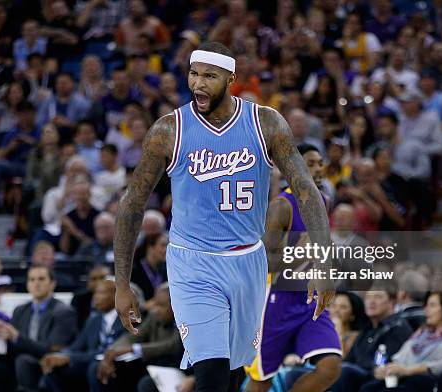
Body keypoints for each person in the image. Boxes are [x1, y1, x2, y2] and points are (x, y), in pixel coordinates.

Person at [113, 42, 332, 392]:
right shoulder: (169, 131)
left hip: (249, 261)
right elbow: (132, 205)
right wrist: (122, 284)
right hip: (193, 263)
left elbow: (307, 190)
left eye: (210, 76)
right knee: (211, 371)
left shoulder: (266, 123)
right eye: (194, 74)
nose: (198, 84)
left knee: (233, 370)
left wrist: (323, 263)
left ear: (230, 79)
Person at [245, 143, 341, 392]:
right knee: (261, 379)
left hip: (307, 296)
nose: (318, 169)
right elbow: (262, 261)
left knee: (330, 366)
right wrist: (299, 253)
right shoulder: (282, 207)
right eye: (310, 164)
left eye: (320, 163)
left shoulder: (324, 201)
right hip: (275, 298)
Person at [0, 266, 77, 392]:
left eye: (41, 279)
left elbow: (51, 349)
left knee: (23, 361)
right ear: (28, 285)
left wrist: (17, 337)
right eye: (32, 280)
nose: (36, 284)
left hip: (46, 364)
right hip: (18, 363)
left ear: (52, 284)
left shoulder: (64, 312)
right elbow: (11, 346)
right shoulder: (20, 310)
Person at [360, 292, 442, 392]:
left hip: (426, 383)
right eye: (426, 306)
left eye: (432, 305)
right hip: (404, 379)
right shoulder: (420, 334)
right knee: (368, 388)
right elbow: (399, 358)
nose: (426, 310)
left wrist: (410, 371)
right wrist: (386, 370)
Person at [40, 278, 126, 392]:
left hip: (117, 365)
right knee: (54, 368)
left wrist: (69, 358)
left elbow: (108, 351)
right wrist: (58, 355)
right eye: (95, 292)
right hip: (89, 361)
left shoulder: (128, 320)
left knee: (94, 368)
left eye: (101, 293)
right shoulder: (93, 320)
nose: (95, 297)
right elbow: (76, 346)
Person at [99, 283, 183, 391]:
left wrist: (132, 349)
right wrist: (113, 351)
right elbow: (133, 335)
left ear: (176, 305)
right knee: (110, 369)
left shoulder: (184, 321)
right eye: (155, 304)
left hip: (177, 367)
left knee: (146, 383)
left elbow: (172, 345)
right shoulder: (154, 316)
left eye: (162, 305)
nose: (155, 310)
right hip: (153, 365)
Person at [330, 288, 414, 392]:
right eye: (368, 297)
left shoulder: (398, 327)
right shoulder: (367, 328)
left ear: (393, 301)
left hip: (377, 380)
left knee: (345, 370)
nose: (371, 301)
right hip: (355, 376)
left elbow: (384, 365)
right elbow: (349, 359)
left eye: (378, 297)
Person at [330, 292, 367, 358]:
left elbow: (342, 361)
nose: (336, 310)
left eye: (343, 307)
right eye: (333, 305)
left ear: (352, 315)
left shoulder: (357, 337)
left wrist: (338, 333)